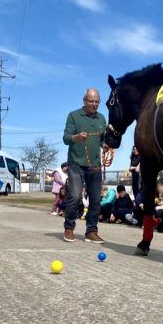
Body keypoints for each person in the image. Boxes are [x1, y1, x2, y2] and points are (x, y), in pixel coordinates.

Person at [62, 88, 107, 244]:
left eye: (97, 102)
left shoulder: (101, 118)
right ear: (84, 100)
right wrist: (76, 137)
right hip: (75, 163)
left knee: (95, 199)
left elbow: (102, 139)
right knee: (74, 196)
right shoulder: (73, 116)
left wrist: (105, 145)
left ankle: (91, 232)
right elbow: (66, 138)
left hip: (95, 165)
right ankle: (69, 228)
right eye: (91, 101)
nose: (94, 104)